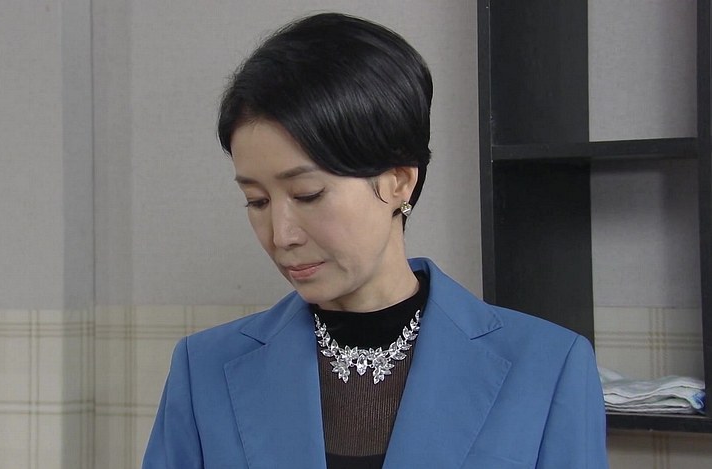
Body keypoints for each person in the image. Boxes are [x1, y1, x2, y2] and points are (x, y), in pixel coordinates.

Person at [142, 12, 607, 469]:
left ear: (398, 181)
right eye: (257, 201)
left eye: (308, 194)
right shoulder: (203, 370)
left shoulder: (548, 366)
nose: (281, 236)